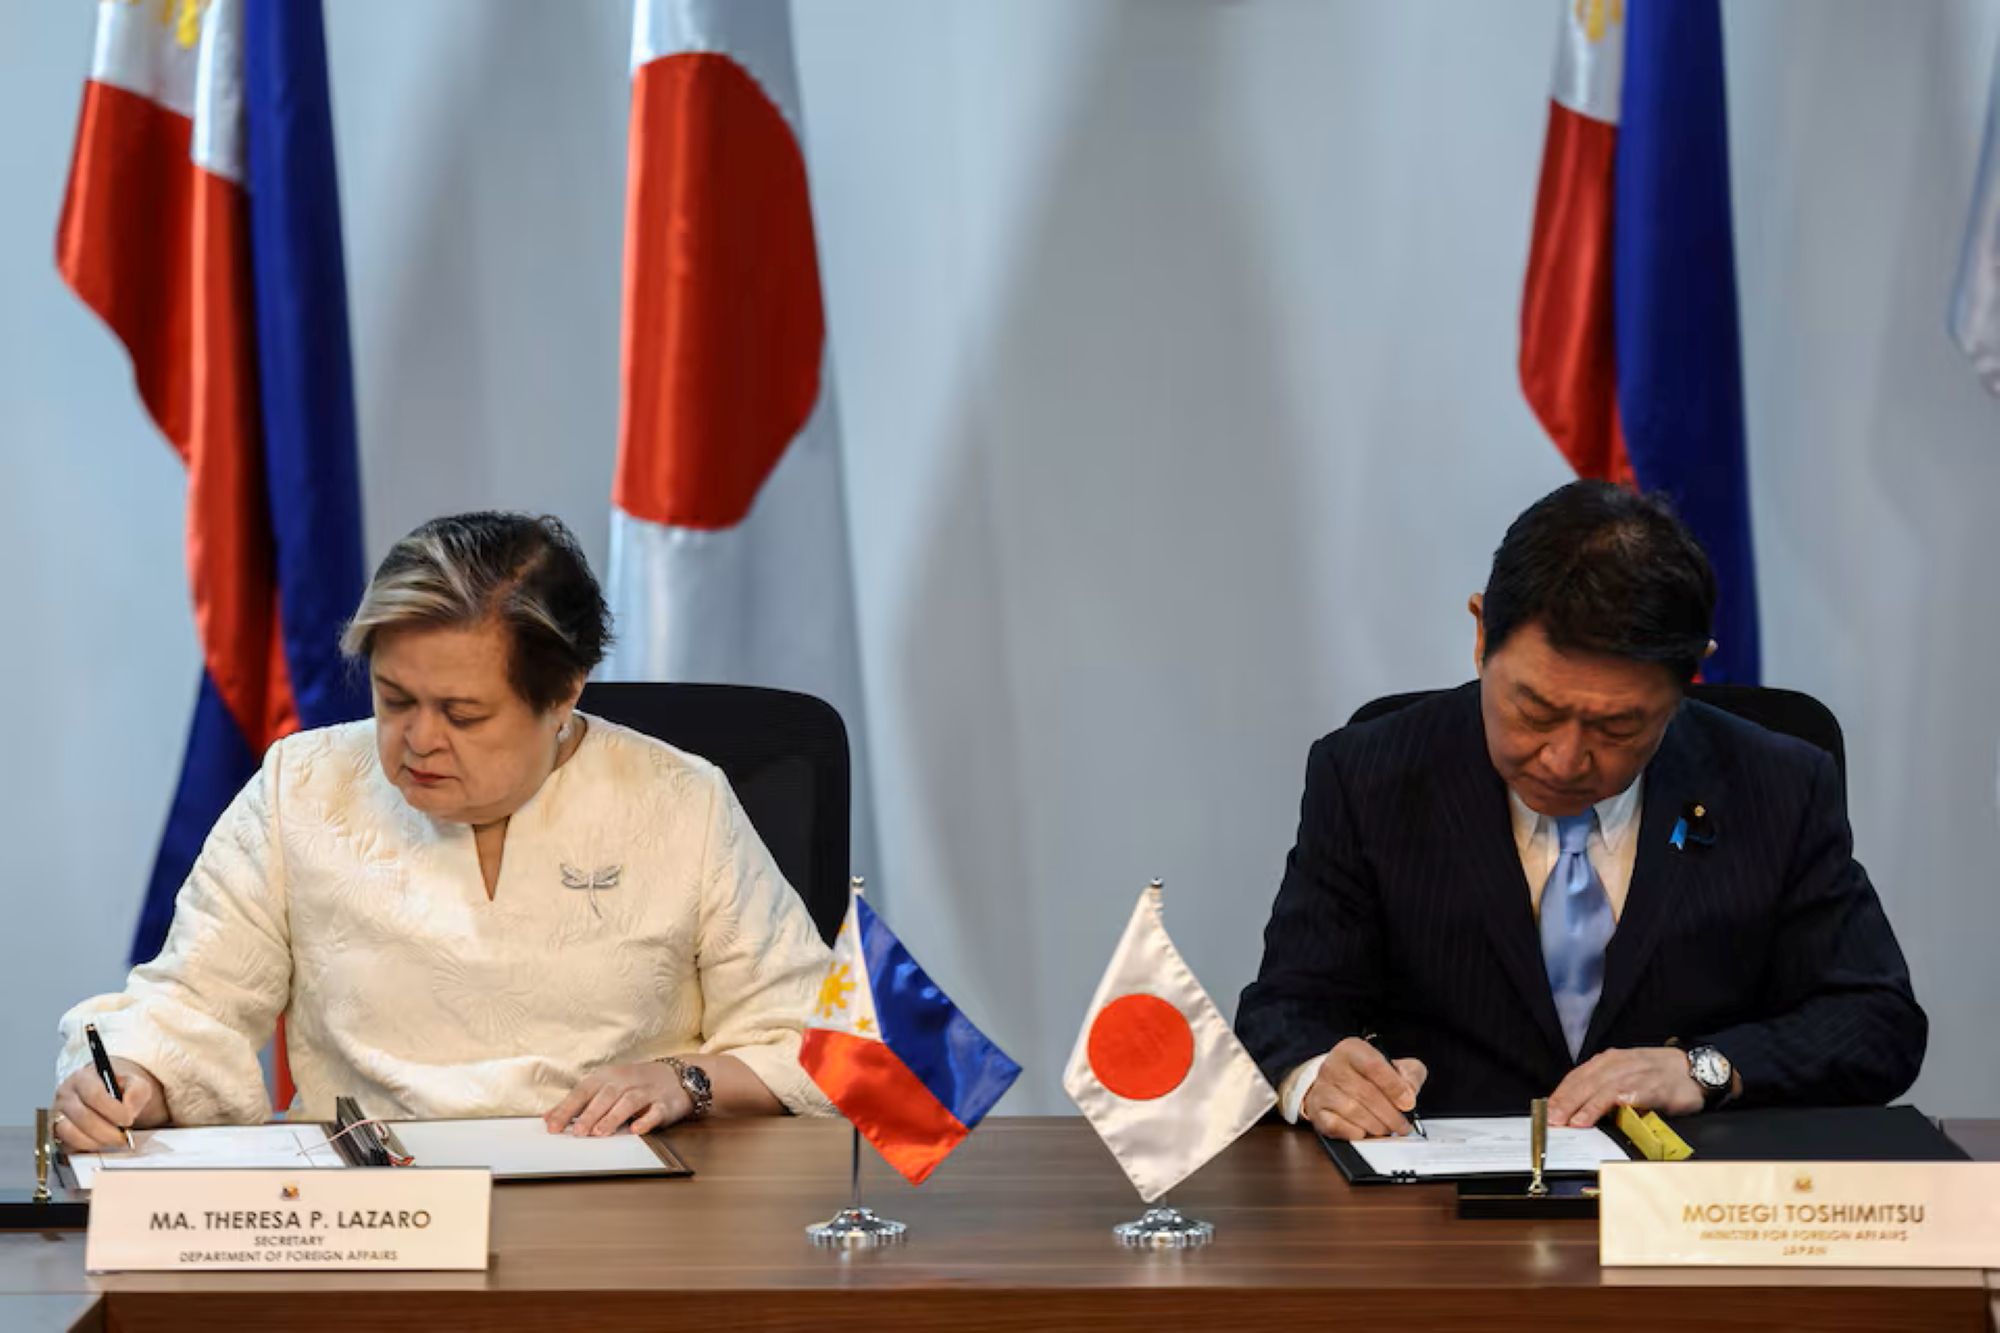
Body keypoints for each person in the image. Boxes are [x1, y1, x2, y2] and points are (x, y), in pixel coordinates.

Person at [53, 512, 832, 1149]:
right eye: (394, 700)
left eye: (463, 713)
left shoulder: (681, 801)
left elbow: (818, 1040)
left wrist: (685, 1079)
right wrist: (135, 1078)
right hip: (368, 1210)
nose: (419, 739)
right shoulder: (303, 787)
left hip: (622, 1204)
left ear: (563, 692)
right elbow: (191, 1004)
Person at [1236, 481, 1926, 1141]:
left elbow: (1877, 1021)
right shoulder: (1370, 777)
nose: (1564, 760)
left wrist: (1703, 1069)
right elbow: (1286, 1010)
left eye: (1617, 727)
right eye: (1534, 711)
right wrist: (1319, 1076)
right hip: (1440, 1198)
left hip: (1684, 1196)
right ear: (1481, 634)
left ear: (1691, 674)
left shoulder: (1777, 784)